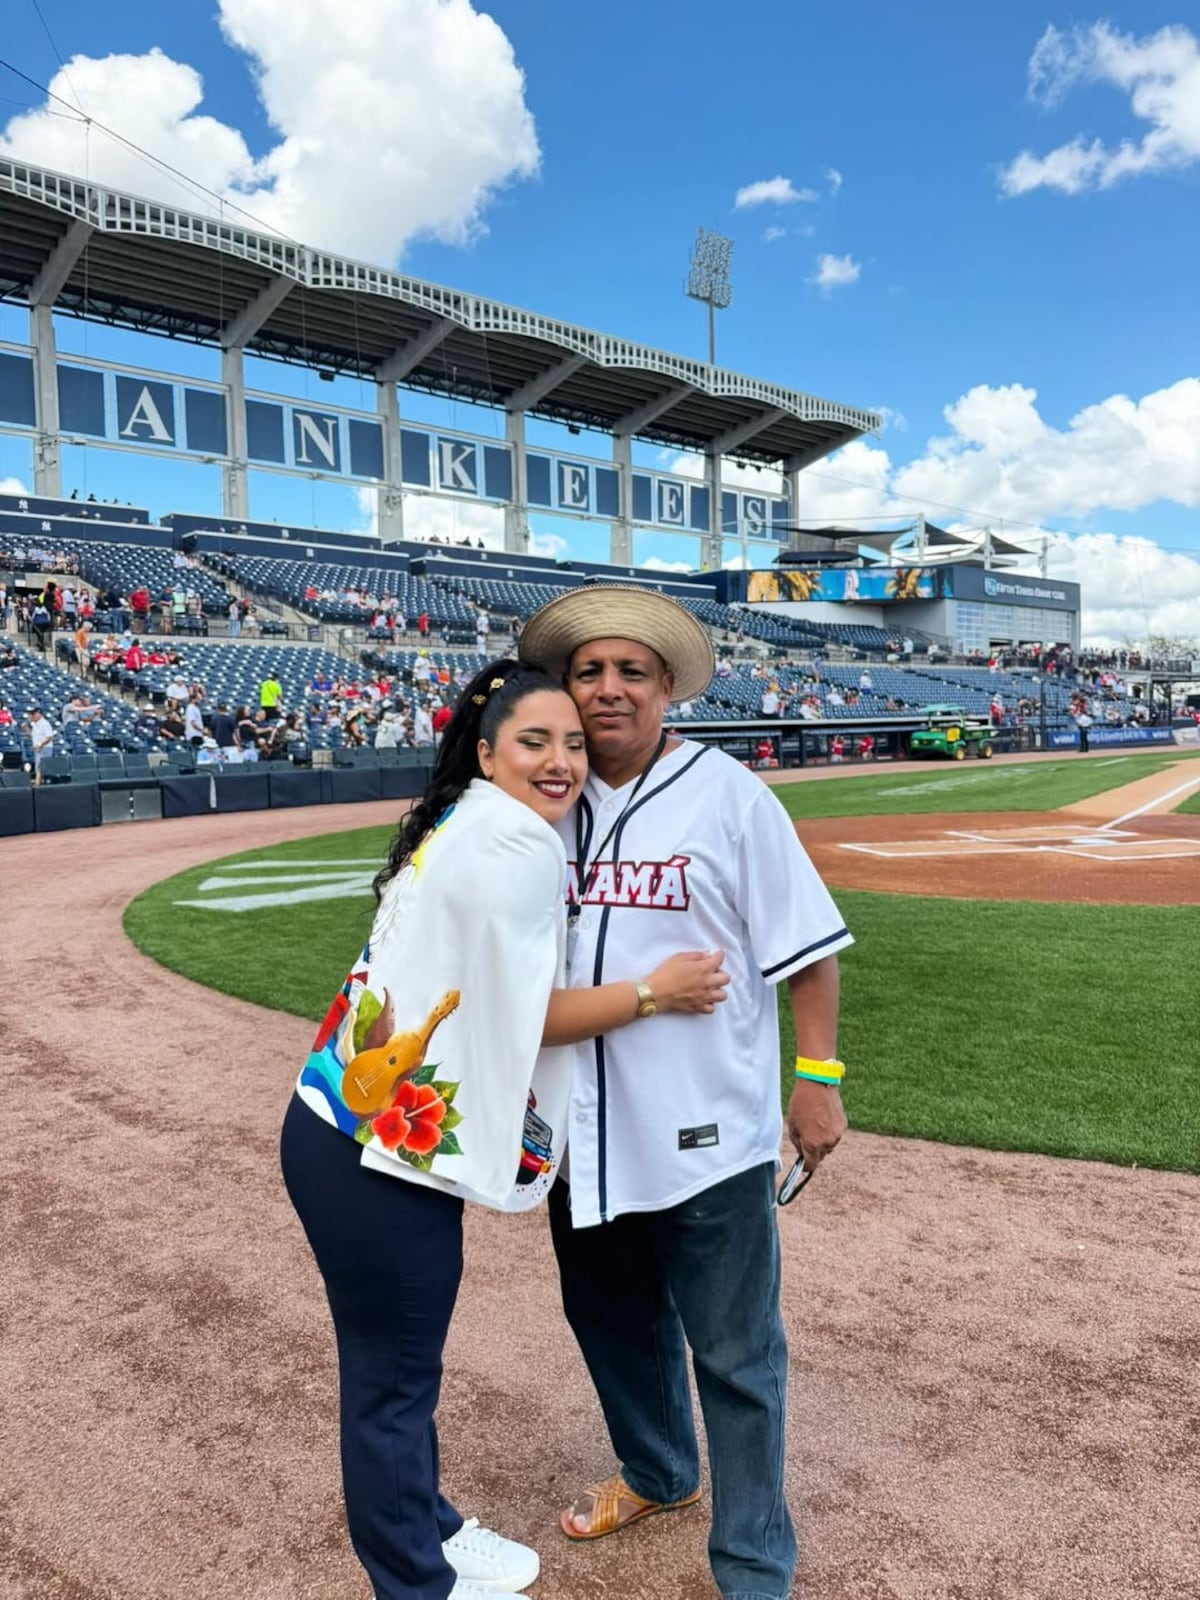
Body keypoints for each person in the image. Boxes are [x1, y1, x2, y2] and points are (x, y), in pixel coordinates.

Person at [280, 658, 728, 1600]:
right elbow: (529, 1021)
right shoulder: (518, 844)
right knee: (391, 1383)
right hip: (376, 1160)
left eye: (572, 742)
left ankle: (428, 1529)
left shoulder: (472, 818)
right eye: (536, 742)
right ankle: (416, 1583)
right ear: (488, 753)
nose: (563, 760)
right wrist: (657, 991)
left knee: (401, 1366)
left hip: (349, 1135)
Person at [519, 586, 853, 1600]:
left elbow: (810, 952)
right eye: (589, 671)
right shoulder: (544, 797)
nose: (609, 688)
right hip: (581, 1133)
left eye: (632, 671)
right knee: (609, 1321)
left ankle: (753, 1565)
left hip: (711, 1134)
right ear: (566, 690)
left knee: (738, 1356)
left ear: (668, 687)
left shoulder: (730, 796)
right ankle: (660, 1471)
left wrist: (819, 1077)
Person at [26, 705, 55, 781]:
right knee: (38, 767)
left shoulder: (44, 723)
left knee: (40, 767)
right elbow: (33, 736)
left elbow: (49, 737)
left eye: (33, 714)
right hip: (38, 749)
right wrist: (25, 728)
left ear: (38, 714)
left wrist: (39, 745)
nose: (31, 716)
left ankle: (38, 784)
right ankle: (39, 783)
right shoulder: (35, 724)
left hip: (45, 748)